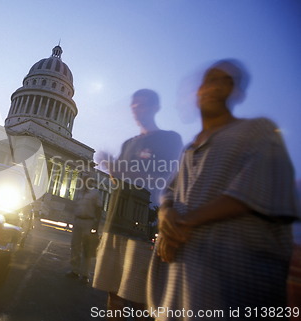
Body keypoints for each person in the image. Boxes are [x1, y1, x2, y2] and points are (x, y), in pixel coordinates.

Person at [147, 59, 299, 320]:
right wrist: (165, 214)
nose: (215, 87)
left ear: (236, 93)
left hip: (236, 284)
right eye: (209, 80)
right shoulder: (190, 149)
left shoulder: (258, 129)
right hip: (182, 279)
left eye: (226, 81)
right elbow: (170, 191)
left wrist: (179, 226)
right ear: (198, 91)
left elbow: (257, 188)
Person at [93, 89, 182, 320]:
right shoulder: (129, 143)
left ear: (154, 108)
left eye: (141, 104)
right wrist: (109, 165)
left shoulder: (169, 139)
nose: (136, 109)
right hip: (115, 223)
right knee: (113, 293)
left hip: (144, 227)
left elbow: (163, 176)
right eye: (133, 105)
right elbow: (120, 181)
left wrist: (121, 168)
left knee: (141, 297)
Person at [67, 173, 103, 284]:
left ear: (91, 181)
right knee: (75, 246)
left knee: (86, 249)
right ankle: (74, 270)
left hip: (88, 221)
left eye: (87, 180)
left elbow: (98, 209)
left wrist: (95, 226)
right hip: (78, 220)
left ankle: (85, 274)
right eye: (83, 179)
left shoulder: (95, 193)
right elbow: (75, 206)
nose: (85, 181)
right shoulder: (79, 192)